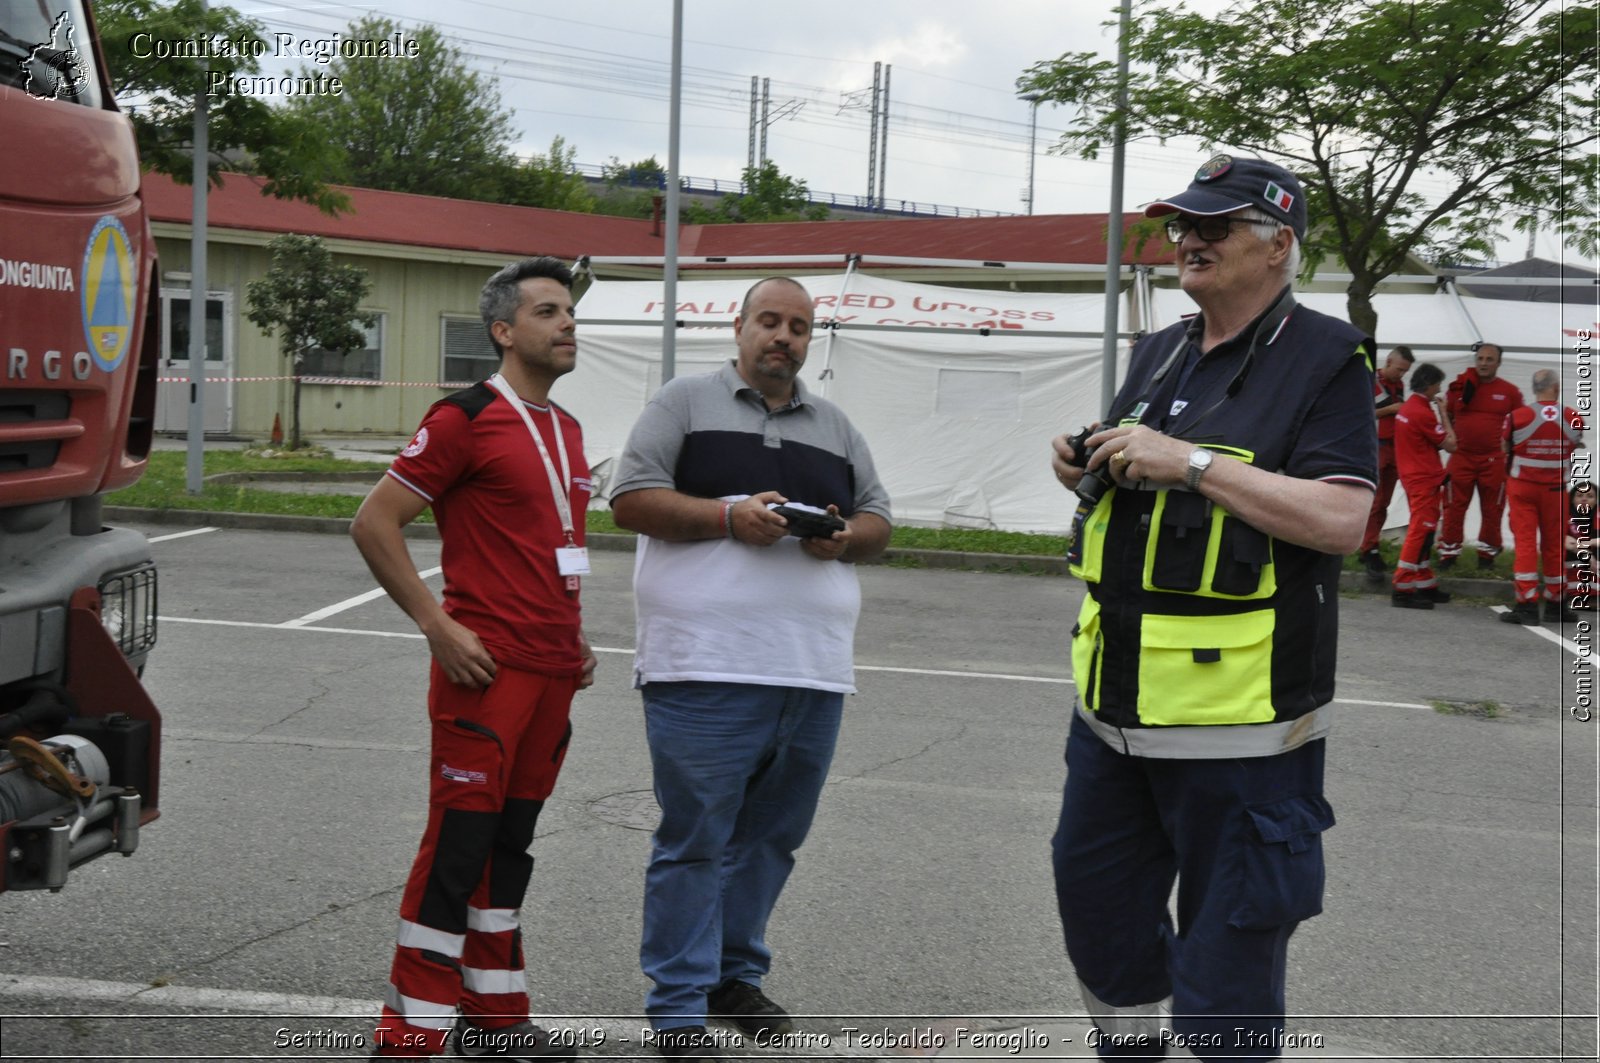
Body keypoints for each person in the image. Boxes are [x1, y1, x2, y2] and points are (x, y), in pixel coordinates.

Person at [1047, 154, 1376, 1058]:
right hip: (1111, 720)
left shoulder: (1325, 356)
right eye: (1182, 224)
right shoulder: (1162, 346)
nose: (1187, 239)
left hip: (1244, 737)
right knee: (1097, 918)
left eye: (1214, 225)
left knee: (1229, 958)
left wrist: (1191, 462)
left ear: (1277, 247)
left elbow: (1346, 518)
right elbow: (1134, 474)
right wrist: (1085, 459)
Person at [609, 276, 892, 1060]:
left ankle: (732, 974)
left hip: (812, 672)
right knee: (696, 837)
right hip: (704, 666)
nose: (784, 337)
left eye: (799, 327)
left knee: (772, 838)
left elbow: (879, 518)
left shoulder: (834, 425)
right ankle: (676, 1006)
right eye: (769, 321)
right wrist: (728, 515)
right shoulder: (683, 403)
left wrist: (843, 537)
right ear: (738, 327)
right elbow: (629, 498)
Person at [352, 256, 598, 1060]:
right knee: (457, 850)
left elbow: (551, 545)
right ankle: (409, 1035)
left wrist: (572, 636)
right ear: (503, 331)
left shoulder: (566, 428)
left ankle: (495, 1022)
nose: (568, 323)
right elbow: (374, 522)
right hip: (484, 678)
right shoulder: (463, 417)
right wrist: (436, 625)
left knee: (508, 847)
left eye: (570, 310)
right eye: (548, 311)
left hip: (551, 675)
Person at [1500, 369, 1587, 625]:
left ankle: (1526, 605)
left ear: (1534, 388)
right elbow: (1576, 443)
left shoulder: (1516, 417)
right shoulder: (1572, 417)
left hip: (1522, 488)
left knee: (1526, 544)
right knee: (1553, 545)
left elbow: (1505, 447)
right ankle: (1555, 604)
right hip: (1555, 491)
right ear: (1557, 388)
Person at [1437, 342, 1522, 570]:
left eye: (1489, 359)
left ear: (1499, 363)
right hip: (1462, 457)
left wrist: (1509, 453)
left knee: (1492, 509)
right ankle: (1449, 554)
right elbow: (1447, 417)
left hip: (1493, 460)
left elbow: (1518, 425)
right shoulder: (1460, 387)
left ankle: (1487, 557)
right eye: (1480, 359)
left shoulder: (1510, 391)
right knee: (1453, 506)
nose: (1483, 363)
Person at [1391, 363, 1458, 609]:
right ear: (1429, 385)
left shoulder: (1408, 408)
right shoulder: (1421, 412)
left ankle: (1423, 582)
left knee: (1426, 531)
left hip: (1415, 477)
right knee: (1421, 530)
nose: (1439, 388)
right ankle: (1402, 587)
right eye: (1438, 384)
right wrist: (1444, 414)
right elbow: (1451, 444)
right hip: (1423, 479)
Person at [1357, 345, 1416, 578]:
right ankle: (1368, 548)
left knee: (1384, 502)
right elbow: (1359, 412)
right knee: (1376, 500)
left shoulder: (1398, 385)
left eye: (1405, 371)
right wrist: (1391, 409)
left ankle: (1371, 545)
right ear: (1389, 361)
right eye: (1399, 369)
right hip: (1376, 448)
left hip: (1395, 447)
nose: (1401, 375)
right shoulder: (1368, 380)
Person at [1567, 482, 1597, 614]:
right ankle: (1574, 595)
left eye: (1590, 496)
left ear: (1596, 501)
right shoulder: (1565, 517)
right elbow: (1563, 540)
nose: (1584, 499)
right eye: (1579, 495)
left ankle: (1593, 596)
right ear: (1572, 499)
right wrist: (1584, 552)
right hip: (1572, 560)